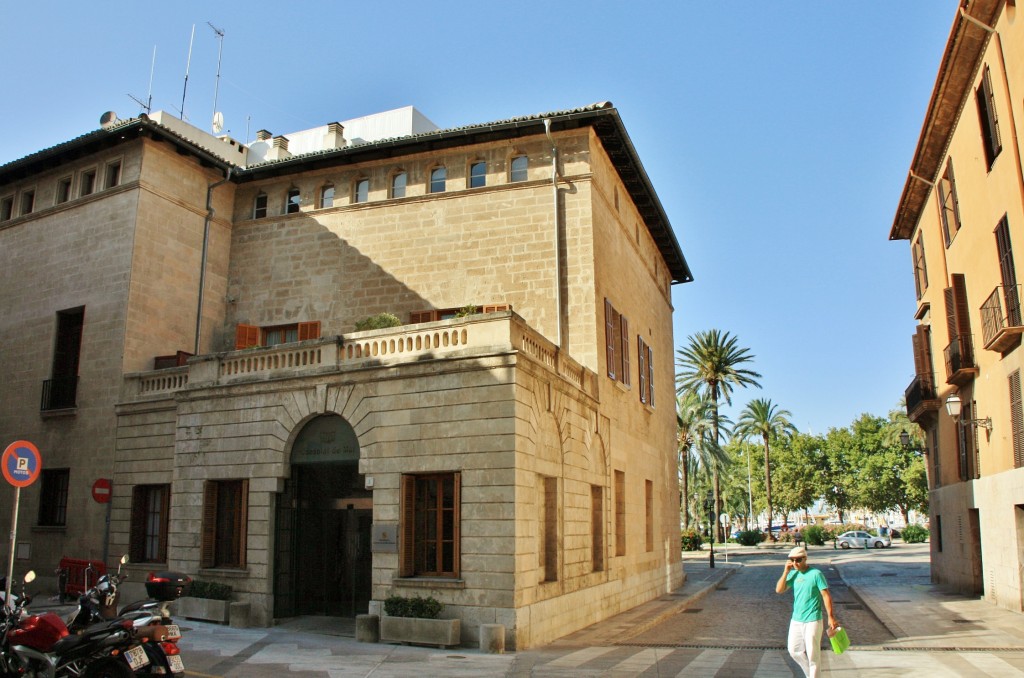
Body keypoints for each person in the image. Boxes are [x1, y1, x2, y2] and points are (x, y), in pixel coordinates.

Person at [774, 546, 836, 678]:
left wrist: (831, 617)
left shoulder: (816, 574)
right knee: (793, 651)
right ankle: (810, 675)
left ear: (805, 559)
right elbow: (779, 590)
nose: (795, 563)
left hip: (813, 619)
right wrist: (786, 571)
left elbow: (826, 595)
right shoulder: (793, 573)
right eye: (792, 560)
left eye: (798, 560)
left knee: (813, 654)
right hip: (796, 619)